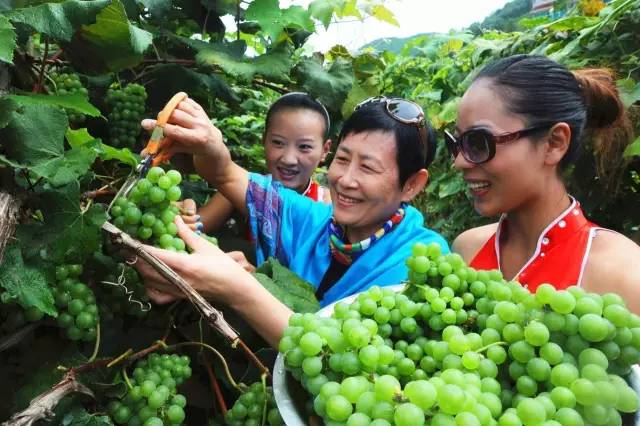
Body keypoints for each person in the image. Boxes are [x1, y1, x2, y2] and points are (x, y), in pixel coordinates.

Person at [135, 96, 449, 347]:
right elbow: (225, 173)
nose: (345, 180)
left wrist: (237, 288)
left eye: (368, 168)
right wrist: (211, 144)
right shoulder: (314, 220)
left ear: (411, 185)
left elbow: (339, 362)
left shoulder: (423, 263)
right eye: (342, 159)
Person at [448, 54, 640, 314]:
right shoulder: (467, 249)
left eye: (478, 143)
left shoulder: (625, 275)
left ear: (554, 143)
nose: (460, 162)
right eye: (456, 143)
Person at [181, 92, 332, 236]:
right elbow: (194, 227)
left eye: (304, 147)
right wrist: (185, 215)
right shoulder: (243, 187)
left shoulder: (328, 206)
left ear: (325, 150)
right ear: (264, 140)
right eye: (278, 143)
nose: (289, 159)